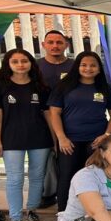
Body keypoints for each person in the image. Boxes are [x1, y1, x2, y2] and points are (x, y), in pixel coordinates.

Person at [0, 49, 52, 221]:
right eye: (15, 61)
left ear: (31, 63)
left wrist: (55, 140)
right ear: (8, 64)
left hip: (40, 138)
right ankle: (15, 220)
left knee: (37, 176)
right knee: (15, 179)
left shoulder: (41, 86)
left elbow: (48, 114)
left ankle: (32, 211)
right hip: (11, 140)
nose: (20, 64)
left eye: (24, 61)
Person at [49, 51, 111, 212]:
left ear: (98, 68)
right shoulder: (64, 86)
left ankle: (94, 211)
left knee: (95, 176)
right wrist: (61, 138)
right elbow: (54, 113)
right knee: (67, 176)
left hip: (96, 142)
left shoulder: (105, 88)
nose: (88, 68)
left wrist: (107, 135)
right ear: (77, 67)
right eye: (84, 65)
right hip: (69, 142)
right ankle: (64, 213)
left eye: (93, 65)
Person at [37, 30, 73, 208]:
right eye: (50, 42)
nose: (55, 46)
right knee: (44, 158)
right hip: (39, 120)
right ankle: (45, 193)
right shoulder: (35, 67)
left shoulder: (75, 66)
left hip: (70, 119)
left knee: (67, 159)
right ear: (43, 45)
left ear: (66, 45)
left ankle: (69, 195)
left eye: (59, 42)